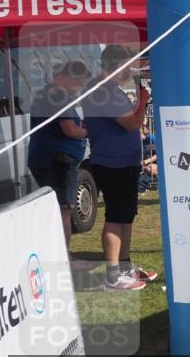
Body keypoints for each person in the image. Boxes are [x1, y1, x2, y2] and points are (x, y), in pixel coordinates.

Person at [81, 45, 157, 291]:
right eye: (129, 64)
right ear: (118, 65)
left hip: (123, 162)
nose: (131, 70)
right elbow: (132, 123)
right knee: (116, 216)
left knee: (125, 216)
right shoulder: (104, 90)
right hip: (113, 163)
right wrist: (144, 101)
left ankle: (124, 266)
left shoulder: (109, 89)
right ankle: (113, 274)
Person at [27, 60, 91, 246]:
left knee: (57, 209)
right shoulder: (57, 96)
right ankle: (65, 258)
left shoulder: (46, 94)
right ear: (69, 77)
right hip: (58, 162)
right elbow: (70, 130)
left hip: (47, 158)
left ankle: (59, 254)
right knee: (64, 210)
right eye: (79, 83)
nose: (79, 88)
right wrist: (87, 132)